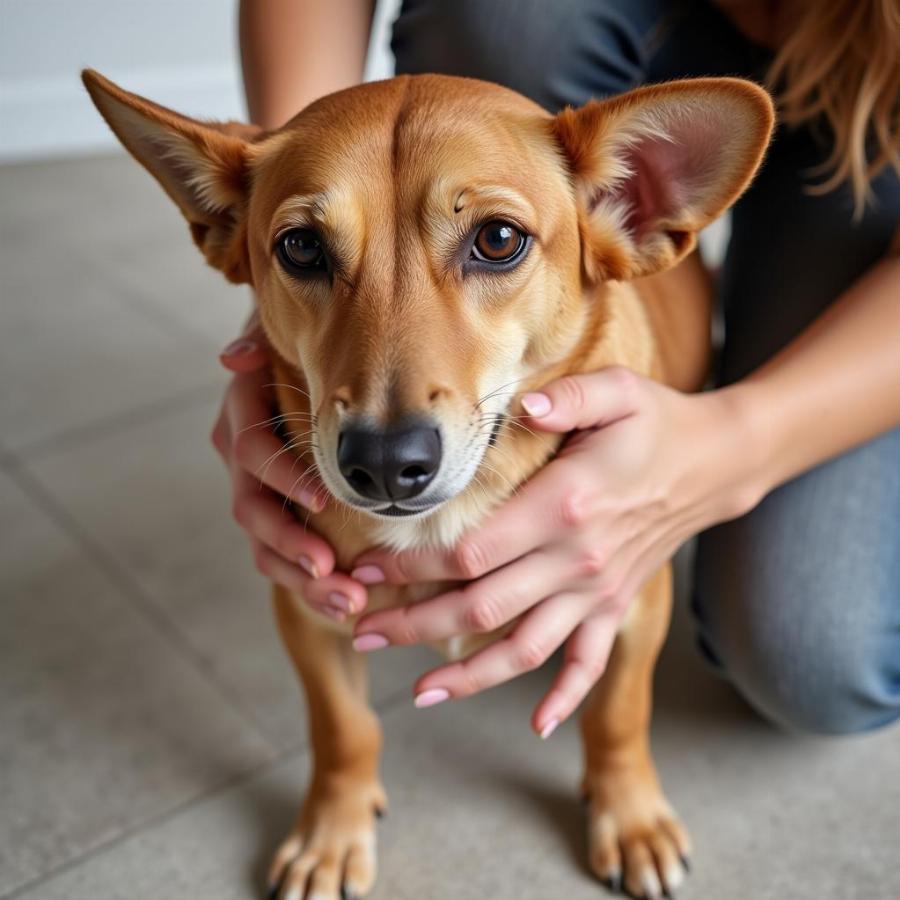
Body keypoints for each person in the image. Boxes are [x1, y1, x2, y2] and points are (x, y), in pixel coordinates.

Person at [214, 0, 900, 738]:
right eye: (306, 252)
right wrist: (290, 191)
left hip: (877, 117)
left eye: (496, 239)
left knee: (813, 660)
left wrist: (733, 445)